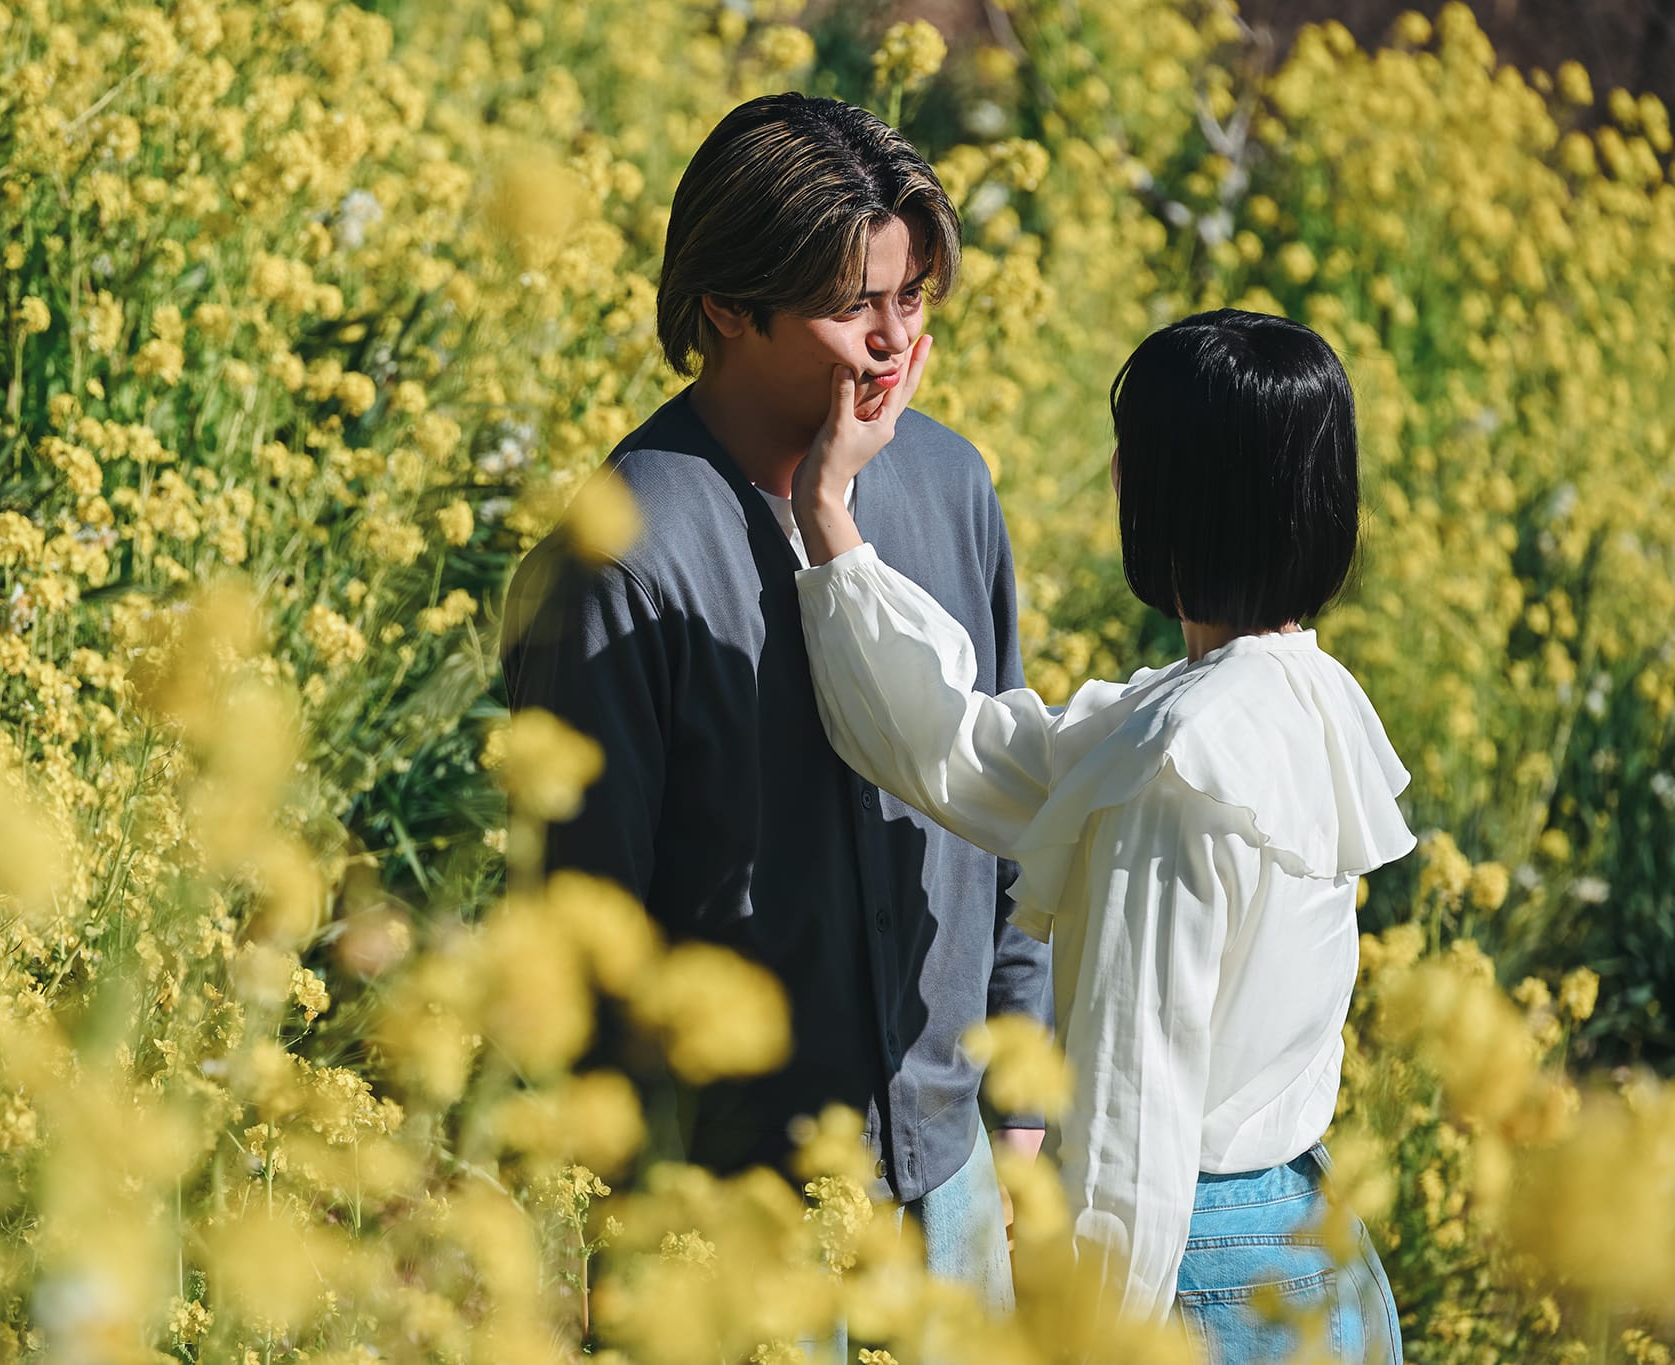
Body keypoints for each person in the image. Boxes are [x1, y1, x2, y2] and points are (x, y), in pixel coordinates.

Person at [501, 93, 1053, 1320]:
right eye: (853, 307)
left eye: (910, 300)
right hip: (730, 1219)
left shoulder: (953, 485)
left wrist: (1016, 1116)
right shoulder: (621, 557)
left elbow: (1009, 811)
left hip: (957, 1175)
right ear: (726, 309)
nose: (891, 344)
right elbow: (578, 935)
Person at [786, 309, 1411, 1362]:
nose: (1115, 475)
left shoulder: (1172, 770)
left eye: (1134, 453)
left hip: (1192, 1279)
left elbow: (1131, 1112)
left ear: (1175, 495)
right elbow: (972, 751)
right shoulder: (1294, 697)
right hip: (1306, 1246)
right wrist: (828, 517)